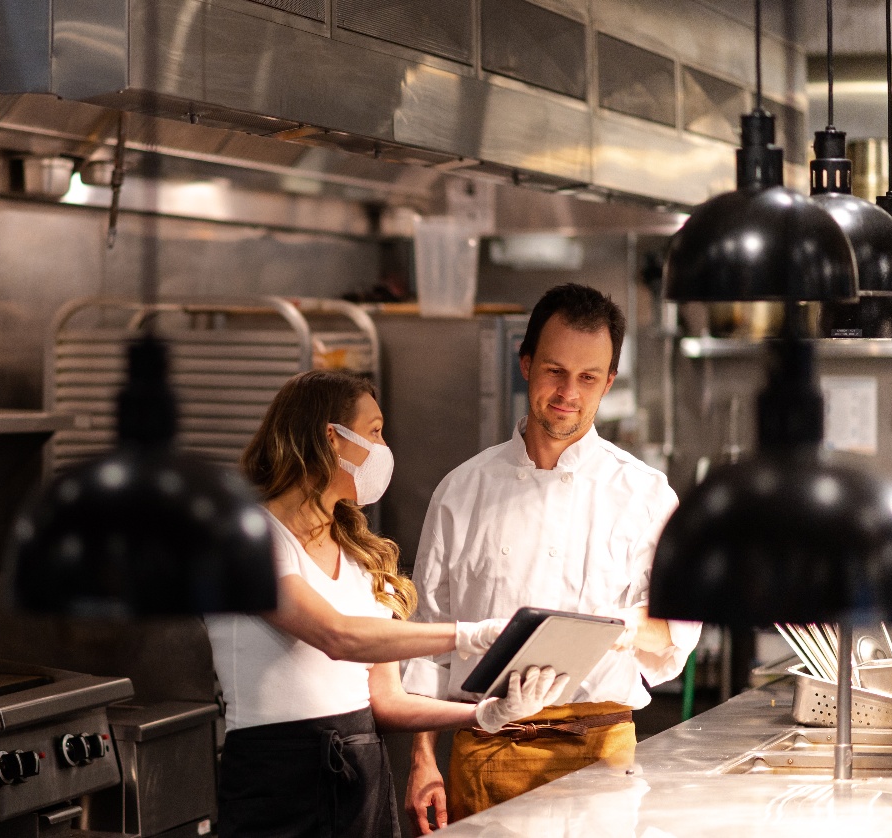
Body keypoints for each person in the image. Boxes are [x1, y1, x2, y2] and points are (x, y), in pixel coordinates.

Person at [205, 369, 570, 838]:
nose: (383, 447)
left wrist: (483, 714)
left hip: (363, 774)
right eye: (374, 431)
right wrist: (467, 634)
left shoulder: (359, 554)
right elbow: (337, 636)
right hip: (276, 779)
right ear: (330, 438)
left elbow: (385, 700)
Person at [402, 283, 702, 831]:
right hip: (486, 750)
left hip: (600, 756)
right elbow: (428, 637)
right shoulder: (461, 490)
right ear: (526, 363)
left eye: (589, 377)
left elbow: (677, 635)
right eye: (555, 371)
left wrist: (622, 628)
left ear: (609, 382)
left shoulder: (646, 495)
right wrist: (422, 759)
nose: (569, 392)